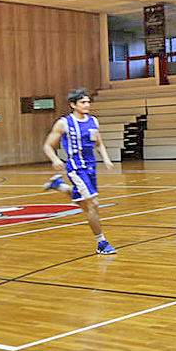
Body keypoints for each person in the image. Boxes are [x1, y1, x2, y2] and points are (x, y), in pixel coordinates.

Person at [42, 89, 117, 255]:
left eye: (88, 102)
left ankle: (60, 186)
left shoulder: (93, 121)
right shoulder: (64, 123)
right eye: (83, 102)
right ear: (73, 105)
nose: (87, 105)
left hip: (91, 168)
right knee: (93, 204)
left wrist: (106, 159)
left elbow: (99, 143)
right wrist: (55, 159)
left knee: (85, 203)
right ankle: (102, 243)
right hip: (76, 168)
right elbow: (47, 145)